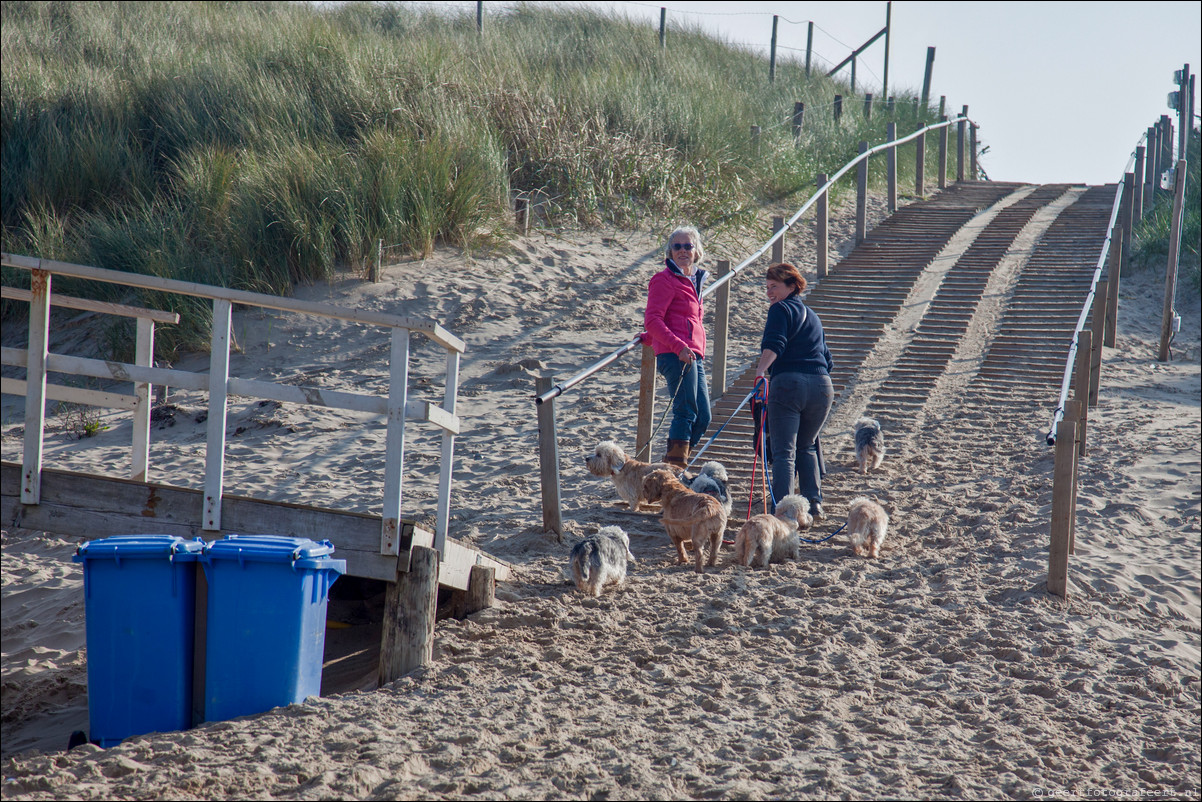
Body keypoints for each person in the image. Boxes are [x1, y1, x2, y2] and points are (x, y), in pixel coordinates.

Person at [753, 262, 834, 519]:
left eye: (774, 286)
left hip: (789, 385)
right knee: (807, 446)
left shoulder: (779, 310)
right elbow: (828, 359)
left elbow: (774, 344)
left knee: (783, 451)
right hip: (822, 387)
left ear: (791, 285)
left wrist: (759, 372)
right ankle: (814, 503)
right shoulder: (814, 316)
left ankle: (785, 510)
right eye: (767, 287)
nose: (769, 293)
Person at [643, 226, 712, 469]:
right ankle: (673, 473)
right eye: (677, 246)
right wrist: (676, 345)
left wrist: (650, 337)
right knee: (685, 413)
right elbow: (653, 319)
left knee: (703, 417)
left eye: (688, 246)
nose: (682, 250)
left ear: (696, 251)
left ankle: (671, 467)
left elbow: (677, 319)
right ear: (670, 252)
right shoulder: (664, 280)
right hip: (676, 355)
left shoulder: (694, 280)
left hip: (693, 355)